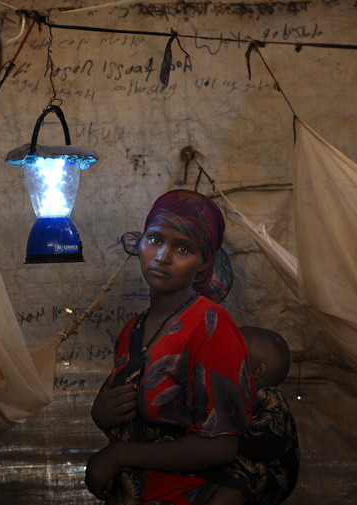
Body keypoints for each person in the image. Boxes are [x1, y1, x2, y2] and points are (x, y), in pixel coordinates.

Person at [86, 189, 254, 505]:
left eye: (182, 248)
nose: (163, 257)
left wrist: (118, 455)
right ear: (141, 243)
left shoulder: (210, 324)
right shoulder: (131, 331)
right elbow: (128, 417)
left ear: (204, 264)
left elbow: (221, 445)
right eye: (155, 240)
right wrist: (100, 413)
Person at [198, 326, 300, 505]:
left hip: (265, 476)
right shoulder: (227, 392)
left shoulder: (269, 396)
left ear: (257, 370)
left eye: (232, 350)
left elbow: (268, 444)